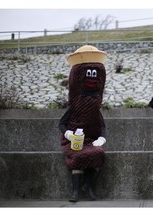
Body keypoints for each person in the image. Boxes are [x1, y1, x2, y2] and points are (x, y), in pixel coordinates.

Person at [58, 45, 107, 202]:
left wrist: (102, 138)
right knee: (78, 156)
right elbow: (61, 124)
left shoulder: (95, 106)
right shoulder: (74, 105)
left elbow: (102, 126)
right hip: (74, 140)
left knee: (98, 154)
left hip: (91, 139)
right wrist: (68, 134)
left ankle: (89, 187)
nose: (92, 77)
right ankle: (75, 192)